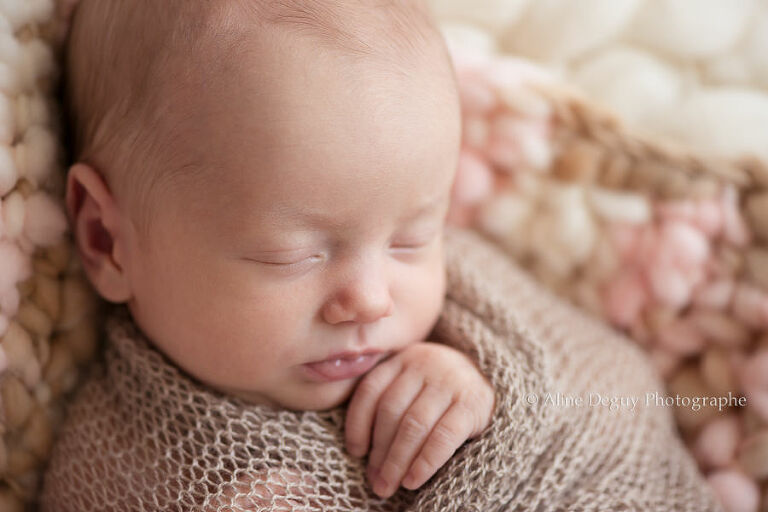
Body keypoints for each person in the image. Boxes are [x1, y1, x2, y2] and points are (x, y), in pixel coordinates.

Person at [40, 1, 724, 510]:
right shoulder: (112, 457)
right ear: (106, 239)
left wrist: (481, 388)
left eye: (412, 238)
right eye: (292, 255)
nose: (371, 299)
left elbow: (606, 384)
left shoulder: (464, 320)